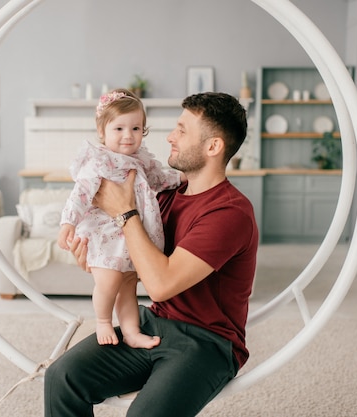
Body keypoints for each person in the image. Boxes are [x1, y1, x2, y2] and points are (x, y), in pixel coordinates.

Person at [45, 92, 259, 417]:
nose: (170, 137)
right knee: (62, 377)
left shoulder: (229, 212)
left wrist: (124, 212)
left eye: (182, 130)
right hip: (154, 323)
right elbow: (131, 261)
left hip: (206, 342)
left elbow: (160, 284)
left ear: (213, 146)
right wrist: (95, 258)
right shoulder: (164, 196)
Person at [58, 88, 182, 349]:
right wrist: (68, 222)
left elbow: (159, 179)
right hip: (105, 234)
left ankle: (131, 331)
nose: (128, 136)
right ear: (102, 132)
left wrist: (181, 178)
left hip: (130, 234)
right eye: (119, 129)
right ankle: (103, 320)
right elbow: (80, 194)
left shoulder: (142, 161)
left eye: (136, 129)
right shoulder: (98, 162)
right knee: (110, 280)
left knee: (127, 283)